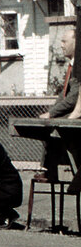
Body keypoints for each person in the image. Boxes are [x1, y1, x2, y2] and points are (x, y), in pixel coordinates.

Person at [35, 27, 78, 183]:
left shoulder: (78, 67)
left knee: (52, 128)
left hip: (77, 114)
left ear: (76, 41)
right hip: (70, 111)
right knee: (47, 127)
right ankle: (50, 169)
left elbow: (74, 97)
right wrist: (51, 111)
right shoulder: (72, 65)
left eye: (64, 41)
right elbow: (64, 94)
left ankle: (53, 170)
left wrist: (53, 114)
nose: (61, 44)